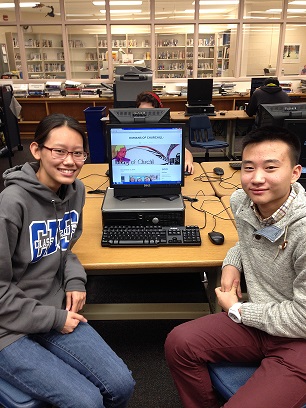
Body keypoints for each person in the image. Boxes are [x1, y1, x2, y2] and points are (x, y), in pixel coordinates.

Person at [165, 126, 306, 408]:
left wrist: (237, 309)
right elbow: (249, 242)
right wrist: (232, 263)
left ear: (295, 172)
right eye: (248, 167)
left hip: (299, 339)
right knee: (179, 343)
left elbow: (303, 319)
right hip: (258, 325)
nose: (256, 179)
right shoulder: (242, 201)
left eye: (270, 168)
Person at [0, 113, 135, 407]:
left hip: (51, 308)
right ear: (36, 150)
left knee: (122, 385)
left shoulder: (76, 191)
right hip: (7, 327)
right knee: (86, 401)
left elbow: (65, 247)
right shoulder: (12, 203)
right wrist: (55, 318)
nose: (69, 161)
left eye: (78, 153)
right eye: (59, 151)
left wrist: (74, 278)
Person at [136, 91, 195, 174]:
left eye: (150, 113)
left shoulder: (167, 132)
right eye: (142, 112)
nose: (146, 116)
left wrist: (188, 162)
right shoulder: (130, 132)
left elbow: (186, 152)